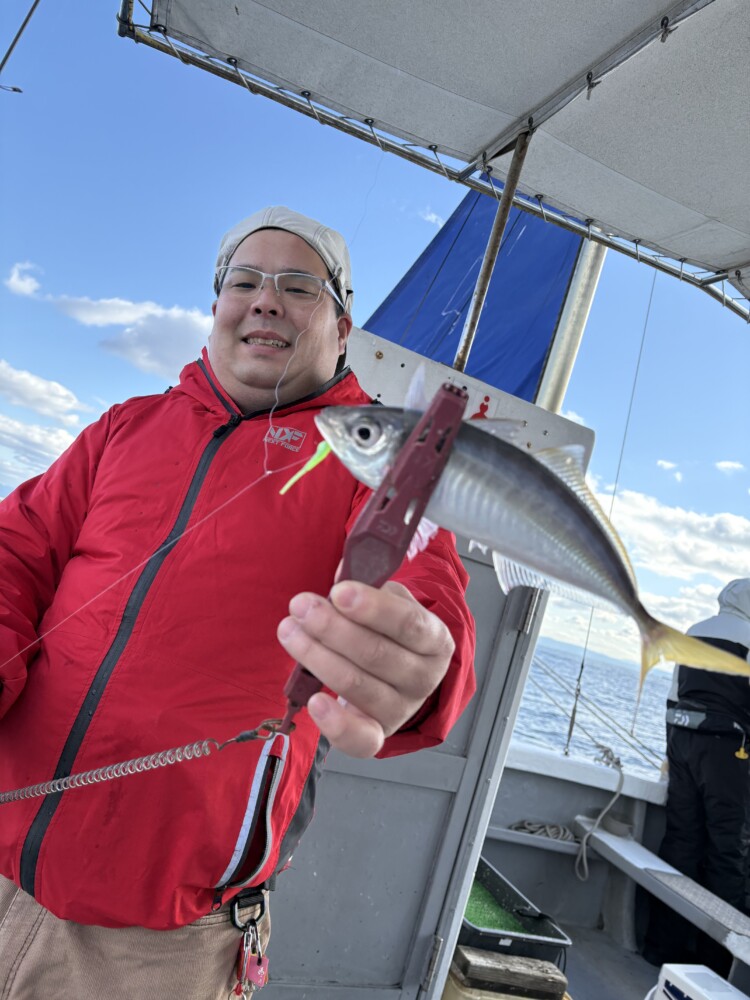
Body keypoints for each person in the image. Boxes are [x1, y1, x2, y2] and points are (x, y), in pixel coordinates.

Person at [0, 206, 476, 998]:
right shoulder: (125, 427)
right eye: (245, 282)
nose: (265, 300)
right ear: (217, 306)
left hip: (163, 947)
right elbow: (15, 552)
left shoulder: (378, 463)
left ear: (342, 326)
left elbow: (427, 594)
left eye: (299, 287)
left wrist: (420, 669)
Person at [643, 578, 750, 976]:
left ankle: (661, 947)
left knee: (681, 841)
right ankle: (713, 964)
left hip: (682, 744)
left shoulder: (696, 630)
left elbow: (674, 694)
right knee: (727, 853)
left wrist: (671, 755)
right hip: (728, 752)